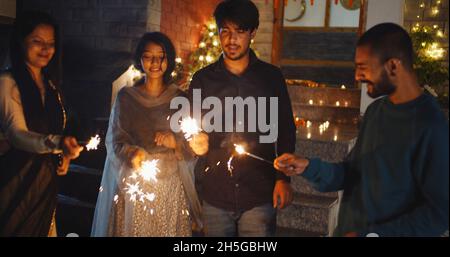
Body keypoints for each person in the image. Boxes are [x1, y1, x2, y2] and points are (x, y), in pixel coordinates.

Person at [274, 23, 449, 237]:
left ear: (393, 66)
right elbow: (351, 174)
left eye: (363, 67)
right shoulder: (376, 112)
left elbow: (439, 213)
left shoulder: (431, 125)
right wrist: (308, 166)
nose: (357, 76)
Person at [188, 0, 295, 237]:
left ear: (252, 33)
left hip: (258, 190)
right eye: (225, 31)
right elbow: (190, 127)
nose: (231, 39)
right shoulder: (203, 80)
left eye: (239, 31)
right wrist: (195, 143)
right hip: (216, 193)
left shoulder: (271, 78)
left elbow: (286, 129)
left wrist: (283, 178)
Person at [91, 32, 202, 237]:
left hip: (170, 190)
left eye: (161, 56)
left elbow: (192, 146)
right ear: (140, 59)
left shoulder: (180, 98)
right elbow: (115, 140)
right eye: (149, 56)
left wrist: (175, 142)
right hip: (134, 188)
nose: (155, 62)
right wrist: (132, 153)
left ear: (168, 59)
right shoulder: (126, 97)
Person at [0, 11, 83, 236]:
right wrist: (57, 143)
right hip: (14, 180)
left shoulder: (51, 87)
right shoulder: (8, 83)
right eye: (37, 42)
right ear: (21, 41)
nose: (46, 49)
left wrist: (64, 154)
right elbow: (17, 134)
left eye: (51, 43)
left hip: (44, 183)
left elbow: (58, 128)